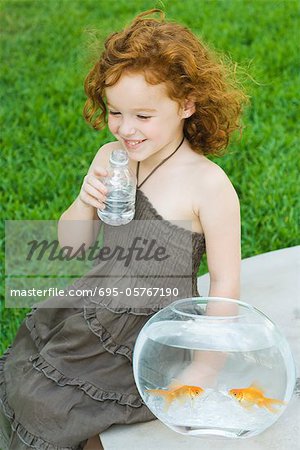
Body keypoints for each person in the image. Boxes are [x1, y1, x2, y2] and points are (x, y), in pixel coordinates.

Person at [0, 9, 248, 450]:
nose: (126, 129)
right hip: (97, 305)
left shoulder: (208, 186)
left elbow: (226, 283)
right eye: (115, 112)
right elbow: (71, 247)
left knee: (49, 403)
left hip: (148, 327)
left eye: (143, 116)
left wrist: (204, 369)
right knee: (27, 371)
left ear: (186, 105)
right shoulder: (110, 158)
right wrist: (83, 202)